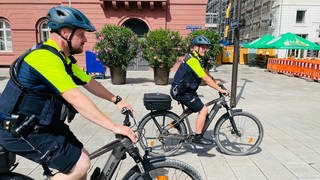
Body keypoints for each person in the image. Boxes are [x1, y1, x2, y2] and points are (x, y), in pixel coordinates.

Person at [0, 6, 137, 180]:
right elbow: (75, 98)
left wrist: (116, 100)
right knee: (81, 165)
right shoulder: (43, 58)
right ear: (65, 33)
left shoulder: (60, 57)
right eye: (81, 34)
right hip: (19, 130)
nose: (85, 39)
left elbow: (88, 81)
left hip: (40, 124)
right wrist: (114, 127)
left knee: (82, 155)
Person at [170, 35, 229, 145]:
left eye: (206, 47)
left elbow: (205, 73)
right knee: (203, 110)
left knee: (195, 106)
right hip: (181, 91)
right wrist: (219, 89)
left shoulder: (195, 58)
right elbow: (205, 79)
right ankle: (198, 137)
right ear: (195, 47)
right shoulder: (192, 60)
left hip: (184, 90)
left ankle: (177, 122)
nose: (205, 50)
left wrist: (215, 81)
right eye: (203, 47)